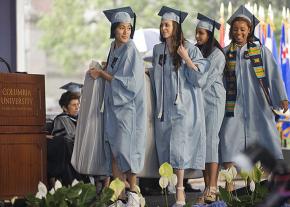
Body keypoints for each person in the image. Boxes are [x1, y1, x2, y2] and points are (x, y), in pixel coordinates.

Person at [150, 6, 209, 206]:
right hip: (163, 109)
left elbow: (200, 78)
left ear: (175, 27)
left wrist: (187, 59)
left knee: (179, 149)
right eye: (162, 25)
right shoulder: (158, 50)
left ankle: (180, 191)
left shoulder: (189, 48)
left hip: (184, 108)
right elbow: (155, 77)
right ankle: (170, 186)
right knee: (166, 147)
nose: (163, 28)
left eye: (167, 25)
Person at [219, 5, 289, 177]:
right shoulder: (225, 53)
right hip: (232, 107)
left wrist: (282, 97)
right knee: (229, 140)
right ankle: (229, 189)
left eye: (242, 29)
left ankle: (263, 188)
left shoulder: (261, 51)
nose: (238, 33)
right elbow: (218, 81)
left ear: (249, 30)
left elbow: (274, 75)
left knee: (265, 141)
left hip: (258, 104)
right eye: (235, 29)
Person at [88, 6, 146, 207]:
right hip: (114, 108)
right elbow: (115, 71)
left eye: (128, 28)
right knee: (114, 150)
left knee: (126, 150)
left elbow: (129, 83)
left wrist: (102, 74)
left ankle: (133, 193)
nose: (125, 32)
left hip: (127, 109)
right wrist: (104, 68)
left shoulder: (131, 49)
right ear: (114, 29)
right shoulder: (114, 47)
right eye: (121, 28)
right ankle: (118, 194)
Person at [194, 13, 226, 203]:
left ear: (209, 35)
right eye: (197, 33)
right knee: (202, 143)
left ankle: (213, 187)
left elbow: (204, 80)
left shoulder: (217, 54)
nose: (197, 37)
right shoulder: (198, 52)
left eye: (201, 33)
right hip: (200, 100)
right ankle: (207, 188)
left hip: (213, 100)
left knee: (211, 141)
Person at [47, 82, 88, 187]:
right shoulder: (61, 119)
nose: (77, 107)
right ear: (65, 108)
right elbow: (69, 137)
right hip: (67, 157)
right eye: (74, 105)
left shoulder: (79, 118)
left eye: (78, 104)